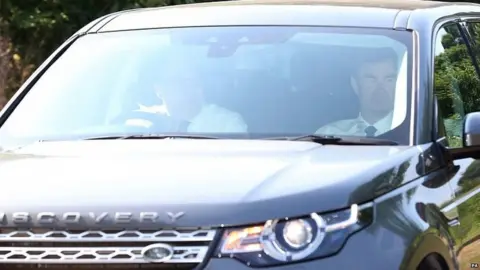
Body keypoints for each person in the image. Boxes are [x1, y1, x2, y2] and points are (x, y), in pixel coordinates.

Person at [315, 47, 399, 137]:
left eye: (389, 79)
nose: (380, 89)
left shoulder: (411, 136)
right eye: (371, 79)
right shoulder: (328, 134)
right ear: (355, 84)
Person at [152, 60, 248, 133]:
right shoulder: (146, 123)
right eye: (174, 81)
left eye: (188, 81)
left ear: (200, 87)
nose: (181, 87)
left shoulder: (226, 124)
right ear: (158, 89)